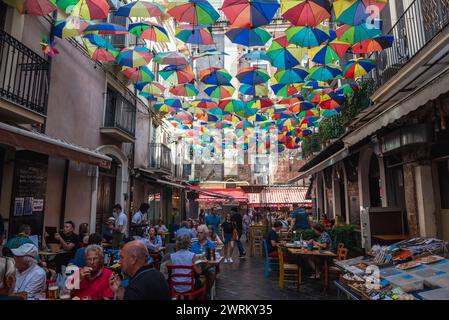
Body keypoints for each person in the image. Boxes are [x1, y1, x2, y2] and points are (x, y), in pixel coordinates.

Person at [190, 224, 216, 299]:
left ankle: (207, 292)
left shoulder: (210, 244)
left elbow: (213, 259)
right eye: (197, 232)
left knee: (212, 271)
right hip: (195, 268)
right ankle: (195, 291)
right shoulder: (193, 245)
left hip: (206, 267)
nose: (198, 234)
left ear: (205, 234)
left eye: (200, 232)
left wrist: (207, 260)